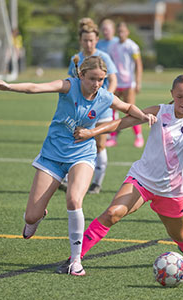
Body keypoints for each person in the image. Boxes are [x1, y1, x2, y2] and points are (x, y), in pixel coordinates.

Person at [56, 68, 183, 275]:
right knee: (112, 213)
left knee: (178, 234)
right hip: (142, 180)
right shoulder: (159, 111)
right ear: (172, 94)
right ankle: (75, 258)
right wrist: (92, 132)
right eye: (179, 97)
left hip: (172, 191)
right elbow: (122, 122)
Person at [0, 56, 156, 276]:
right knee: (31, 216)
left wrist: (144, 116)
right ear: (81, 75)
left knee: (74, 199)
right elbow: (35, 87)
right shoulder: (68, 86)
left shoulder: (104, 96)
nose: (96, 84)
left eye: (101, 80)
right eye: (92, 79)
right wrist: (8, 86)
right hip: (52, 155)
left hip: (82, 154)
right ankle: (37, 216)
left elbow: (127, 107)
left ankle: (76, 261)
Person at [62, 18, 118, 195]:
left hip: (101, 110)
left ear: (97, 40)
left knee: (100, 145)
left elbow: (114, 81)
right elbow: (72, 83)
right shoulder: (76, 59)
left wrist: (105, 98)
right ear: (80, 40)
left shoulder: (104, 57)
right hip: (80, 110)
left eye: (92, 40)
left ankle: (97, 183)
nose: (88, 43)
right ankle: (65, 178)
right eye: (85, 40)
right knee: (75, 141)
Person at [106, 22, 144, 148]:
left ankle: (138, 136)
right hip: (116, 82)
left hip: (128, 83)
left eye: (123, 31)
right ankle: (113, 136)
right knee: (113, 109)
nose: (121, 33)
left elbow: (138, 64)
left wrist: (138, 82)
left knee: (131, 110)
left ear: (127, 32)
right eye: (119, 31)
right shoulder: (113, 46)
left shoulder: (132, 46)